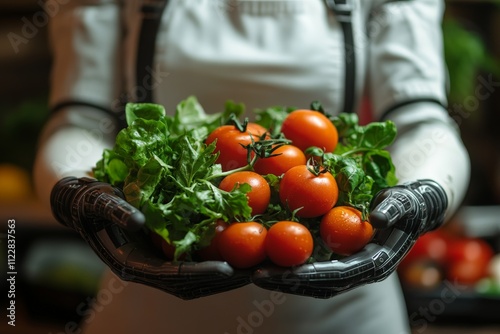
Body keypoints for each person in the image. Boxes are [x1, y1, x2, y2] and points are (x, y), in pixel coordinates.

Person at [34, 0, 470, 333]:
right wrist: (75, 188)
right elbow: (78, 121)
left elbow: (423, 121)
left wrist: (425, 194)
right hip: (148, 308)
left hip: (345, 315)